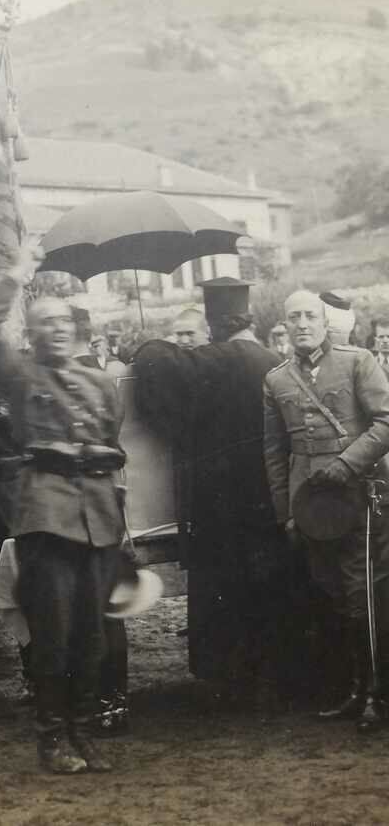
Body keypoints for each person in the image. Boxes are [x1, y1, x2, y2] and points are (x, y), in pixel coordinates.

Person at [0, 240, 125, 775]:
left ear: (76, 327)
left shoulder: (101, 382)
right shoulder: (22, 377)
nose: (56, 329)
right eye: (44, 322)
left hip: (99, 519)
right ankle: (51, 737)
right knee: (54, 638)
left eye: (63, 321)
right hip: (47, 520)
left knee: (93, 639)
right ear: (30, 334)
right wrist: (14, 277)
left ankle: (81, 729)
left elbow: (110, 446)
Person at [133, 278, 291, 708]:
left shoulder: (214, 360)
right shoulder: (276, 361)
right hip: (268, 495)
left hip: (220, 500)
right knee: (268, 585)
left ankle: (230, 678)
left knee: (225, 587)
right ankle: (274, 678)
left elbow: (152, 364)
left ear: (215, 324)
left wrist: (155, 341)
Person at [264, 290, 389, 732]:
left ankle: (377, 693)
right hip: (311, 508)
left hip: (359, 498)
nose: (301, 324)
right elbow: (276, 453)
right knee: (332, 593)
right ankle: (354, 689)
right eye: (293, 316)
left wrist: (345, 463)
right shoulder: (276, 379)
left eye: (309, 316)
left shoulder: (357, 362)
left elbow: (385, 421)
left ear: (324, 322)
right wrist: (287, 514)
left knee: (364, 596)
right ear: (285, 324)